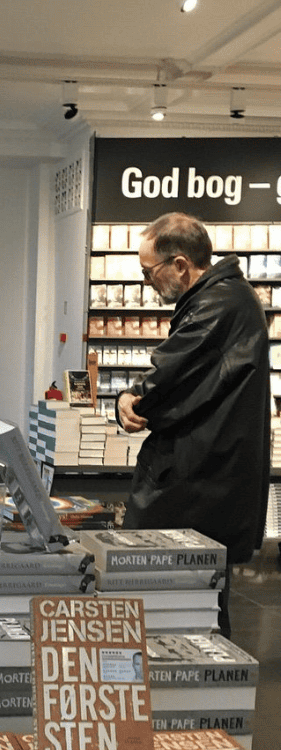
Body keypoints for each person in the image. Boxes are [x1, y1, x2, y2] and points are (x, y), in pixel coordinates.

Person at [117, 212, 270, 637]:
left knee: (182, 600)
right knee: (196, 598)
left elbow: (170, 376)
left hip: (200, 484)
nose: (148, 282)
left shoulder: (218, 304)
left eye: (149, 272)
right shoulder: (225, 298)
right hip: (208, 477)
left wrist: (130, 397)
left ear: (180, 264)